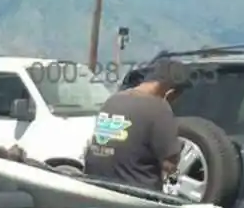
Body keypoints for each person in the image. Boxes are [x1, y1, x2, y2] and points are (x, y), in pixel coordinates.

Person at [81, 58, 192, 191]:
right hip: (136, 194)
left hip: (97, 187)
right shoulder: (159, 107)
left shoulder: (112, 100)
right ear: (171, 93)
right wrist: (175, 175)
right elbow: (169, 164)